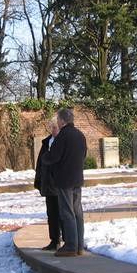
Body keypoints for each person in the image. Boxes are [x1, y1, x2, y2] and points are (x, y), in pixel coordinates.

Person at [41, 108, 87, 257]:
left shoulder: (63, 136)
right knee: (77, 212)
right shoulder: (80, 135)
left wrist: (44, 158)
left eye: (58, 120)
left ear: (62, 120)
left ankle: (71, 246)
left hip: (64, 180)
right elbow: (84, 155)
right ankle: (79, 245)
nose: (58, 123)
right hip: (77, 178)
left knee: (67, 212)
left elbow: (53, 156)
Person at [34, 119, 63, 251]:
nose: (54, 130)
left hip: (59, 184)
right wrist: (39, 180)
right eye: (52, 127)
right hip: (48, 183)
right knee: (51, 213)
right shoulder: (47, 142)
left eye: (56, 127)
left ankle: (65, 239)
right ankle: (54, 240)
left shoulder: (63, 142)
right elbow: (40, 162)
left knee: (61, 213)